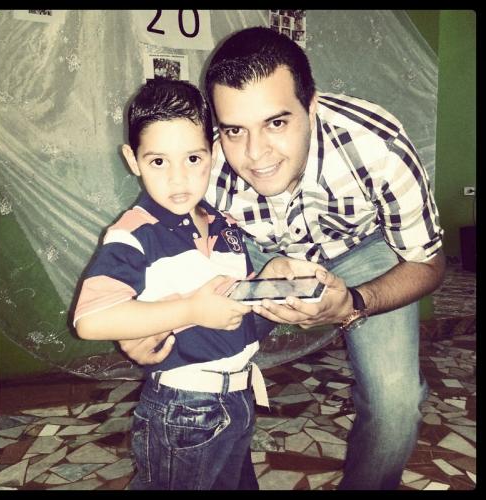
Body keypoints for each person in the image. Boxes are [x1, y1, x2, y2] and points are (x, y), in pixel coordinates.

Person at [119, 27, 445, 490]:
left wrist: (355, 302)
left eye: (276, 123)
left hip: (364, 250)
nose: (256, 155)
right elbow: (160, 243)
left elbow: (428, 264)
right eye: (234, 130)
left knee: (396, 403)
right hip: (250, 248)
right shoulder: (202, 161)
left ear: (311, 107)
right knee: (198, 373)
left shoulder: (378, 147)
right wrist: (149, 322)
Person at [73, 78, 276, 490]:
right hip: (184, 408)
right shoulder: (133, 233)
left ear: (213, 153)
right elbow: (90, 319)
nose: (178, 179)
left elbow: (235, 309)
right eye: (158, 162)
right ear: (133, 160)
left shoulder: (225, 225)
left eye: (193, 159)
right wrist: (190, 310)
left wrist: (273, 283)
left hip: (239, 396)